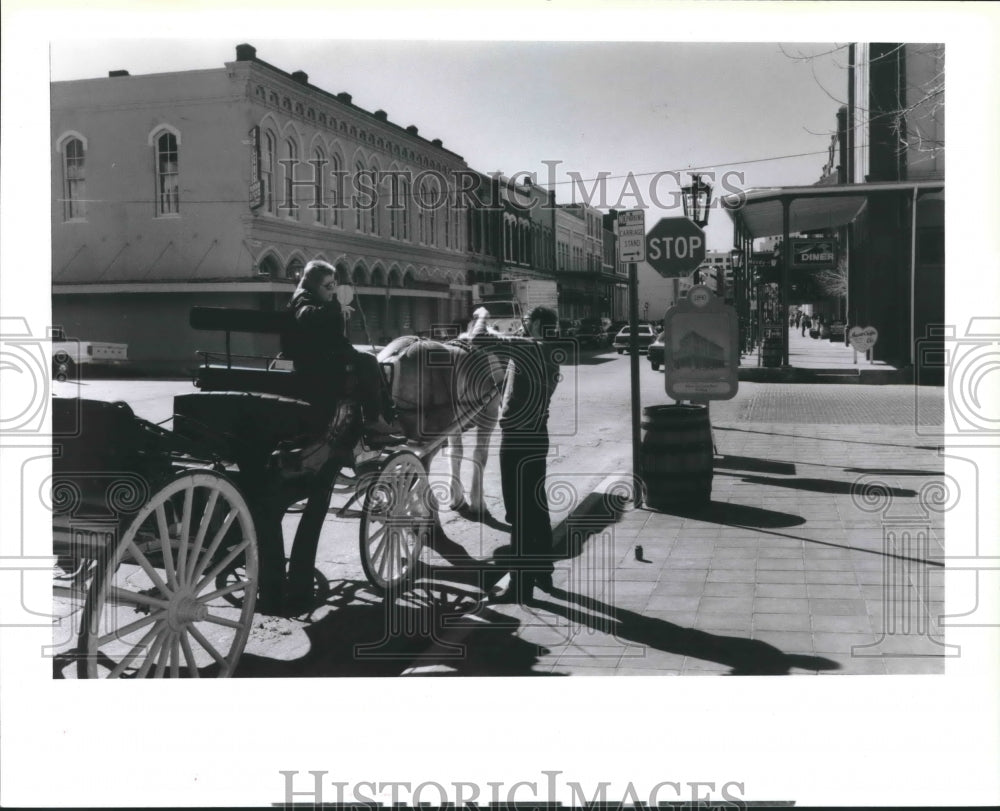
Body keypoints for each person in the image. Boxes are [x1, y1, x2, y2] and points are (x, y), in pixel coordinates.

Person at [468, 304, 562, 602]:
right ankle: (543, 571)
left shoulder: (528, 348)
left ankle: (519, 587)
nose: (523, 325)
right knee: (537, 505)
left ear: (535, 325)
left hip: (517, 439)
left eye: (527, 321)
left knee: (518, 512)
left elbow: (478, 339)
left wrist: (483, 315)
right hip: (538, 435)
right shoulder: (549, 351)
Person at [282, 259, 404, 446]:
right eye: (329, 285)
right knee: (369, 361)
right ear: (314, 284)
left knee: (366, 361)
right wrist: (336, 308)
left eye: (335, 284)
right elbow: (306, 316)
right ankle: (373, 421)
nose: (333, 290)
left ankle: (380, 417)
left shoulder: (306, 296)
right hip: (315, 361)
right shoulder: (303, 298)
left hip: (313, 357)